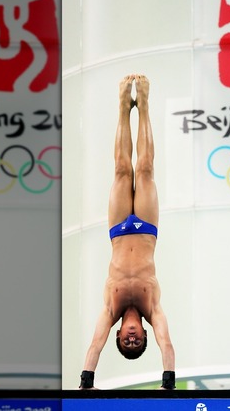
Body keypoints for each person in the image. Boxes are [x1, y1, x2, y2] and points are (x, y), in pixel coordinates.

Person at [79, 75, 175, 390]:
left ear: (119, 334)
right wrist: (168, 383)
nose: (132, 339)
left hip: (119, 230)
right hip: (146, 227)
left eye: (125, 343)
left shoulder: (111, 308)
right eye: (137, 343)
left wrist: (86, 382)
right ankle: (143, 104)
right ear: (143, 334)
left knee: (122, 168)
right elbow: (167, 343)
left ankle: (123, 107)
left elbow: (95, 343)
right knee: (145, 167)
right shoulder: (152, 307)